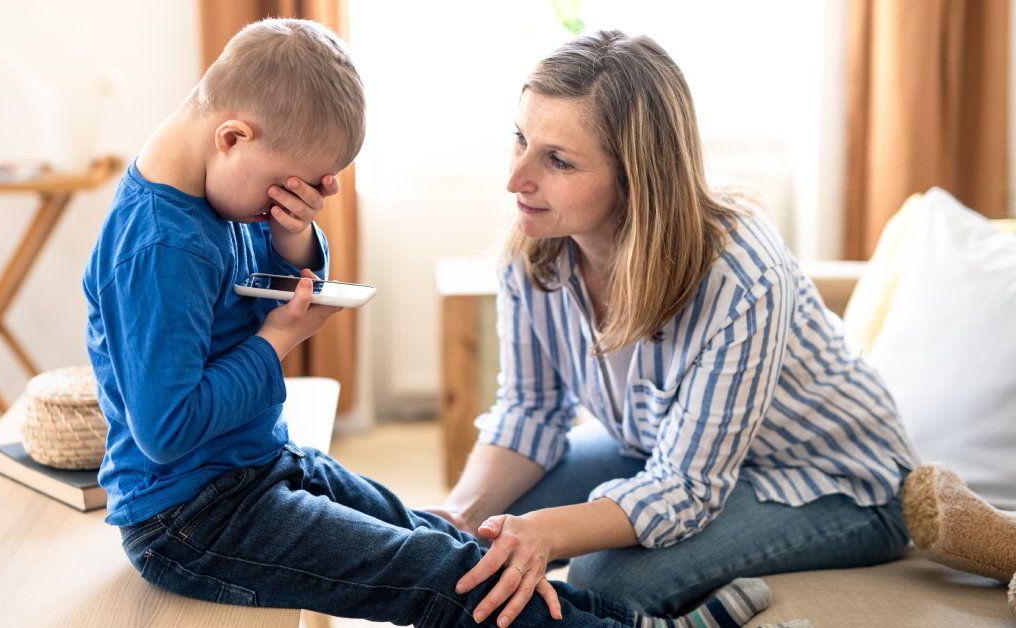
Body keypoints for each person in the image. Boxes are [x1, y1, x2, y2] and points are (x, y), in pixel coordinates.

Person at [82, 18, 769, 628]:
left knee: (449, 542)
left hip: (254, 468)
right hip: (191, 518)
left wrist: (293, 242)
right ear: (233, 137)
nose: (281, 207)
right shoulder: (161, 246)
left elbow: (247, 291)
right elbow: (166, 430)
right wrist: (280, 340)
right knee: (444, 577)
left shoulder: (219, 191)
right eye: (283, 190)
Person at [425, 28, 917, 621]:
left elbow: (686, 489)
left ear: (636, 179)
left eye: (557, 160)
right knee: (477, 540)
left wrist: (547, 532)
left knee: (599, 578)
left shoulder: (742, 276)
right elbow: (529, 412)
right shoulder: (535, 246)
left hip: (836, 483)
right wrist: (461, 513)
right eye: (520, 139)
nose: (516, 179)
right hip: (663, 449)